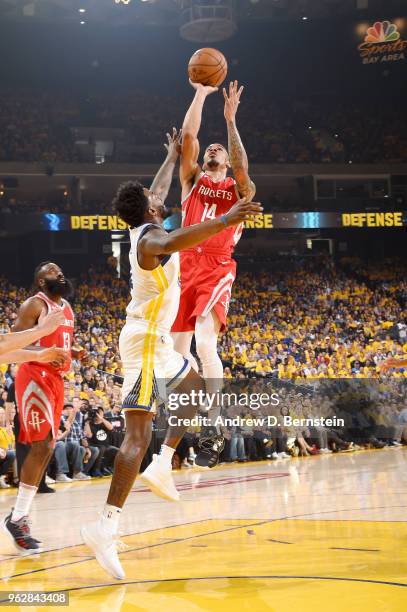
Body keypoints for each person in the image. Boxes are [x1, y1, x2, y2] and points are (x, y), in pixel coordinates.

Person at [81, 129, 261, 580]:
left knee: (197, 392)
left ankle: (164, 464)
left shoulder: (149, 217)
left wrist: (169, 154)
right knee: (135, 438)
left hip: (157, 343)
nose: (157, 193)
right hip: (141, 344)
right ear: (151, 210)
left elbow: (160, 186)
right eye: (152, 196)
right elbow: (178, 241)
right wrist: (225, 219)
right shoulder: (149, 241)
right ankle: (105, 527)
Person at [171, 80, 256, 466]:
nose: (212, 148)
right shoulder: (192, 182)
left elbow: (241, 165)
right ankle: (188, 422)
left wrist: (230, 120)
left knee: (206, 345)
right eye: (210, 148)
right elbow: (189, 135)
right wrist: (201, 95)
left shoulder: (239, 190)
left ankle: (214, 420)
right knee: (175, 356)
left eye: (217, 148)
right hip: (184, 265)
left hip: (217, 266)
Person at [1, 262, 84, 555]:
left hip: (56, 380)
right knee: (42, 444)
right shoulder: (34, 305)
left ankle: (19, 516)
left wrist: (73, 352)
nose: (60, 274)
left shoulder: (68, 308)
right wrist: (45, 354)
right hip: (34, 376)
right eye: (53, 272)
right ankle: (18, 517)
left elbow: (58, 343)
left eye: (62, 271)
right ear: (40, 280)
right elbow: (10, 346)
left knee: (47, 447)